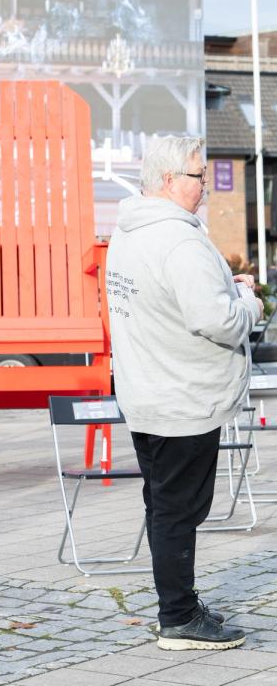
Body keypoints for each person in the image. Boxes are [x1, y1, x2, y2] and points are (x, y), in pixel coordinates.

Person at [107, 136, 262, 651]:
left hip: (147, 391)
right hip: (184, 398)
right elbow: (214, 319)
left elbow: (169, 299)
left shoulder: (129, 231)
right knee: (179, 510)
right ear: (170, 181)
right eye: (198, 176)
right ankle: (178, 618)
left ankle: (180, 604)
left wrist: (223, 285)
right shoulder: (180, 240)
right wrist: (248, 302)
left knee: (164, 505)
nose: (205, 187)